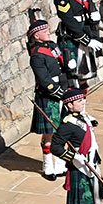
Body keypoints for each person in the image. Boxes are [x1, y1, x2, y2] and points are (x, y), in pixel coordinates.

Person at [50, 88, 103, 204]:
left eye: (83, 99)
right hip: (79, 169)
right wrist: (73, 157)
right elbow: (55, 147)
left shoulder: (83, 117)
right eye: (79, 101)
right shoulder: (67, 125)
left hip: (90, 166)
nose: (83, 102)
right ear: (70, 105)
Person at [54, 0, 103, 92]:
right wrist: (86, 40)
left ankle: (82, 104)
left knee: (85, 73)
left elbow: (88, 2)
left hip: (86, 28)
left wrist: (94, 12)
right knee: (73, 75)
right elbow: (68, 20)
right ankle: (75, 104)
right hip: (73, 35)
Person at [27, 19, 68, 179]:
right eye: (44, 31)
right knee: (49, 134)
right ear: (36, 36)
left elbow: (61, 63)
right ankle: (48, 167)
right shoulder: (36, 56)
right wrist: (57, 91)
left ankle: (60, 165)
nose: (47, 32)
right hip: (48, 95)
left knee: (61, 131)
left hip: (62, 88)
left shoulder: (52, 46)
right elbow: (44, 79)